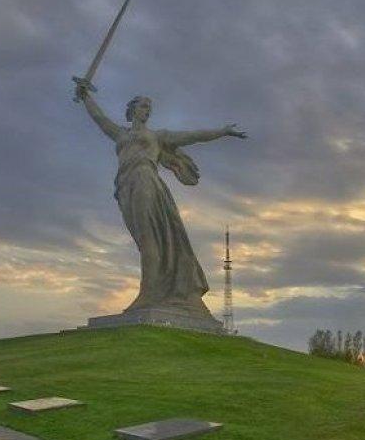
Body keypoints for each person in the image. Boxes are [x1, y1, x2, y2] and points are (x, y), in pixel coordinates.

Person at [75, 84, 246, 317]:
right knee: (142, 239)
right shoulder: (120, 134)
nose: (147, 111)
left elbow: (193, 136)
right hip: (125, 186)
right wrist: (85, 96)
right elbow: (99, 117)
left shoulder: (157, 136)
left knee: (148, 237)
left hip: (146, 181)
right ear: (133, 109)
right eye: (144, 106)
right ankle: (153, 291)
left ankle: (149, 293)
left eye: (149, 108)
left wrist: (222, 131)